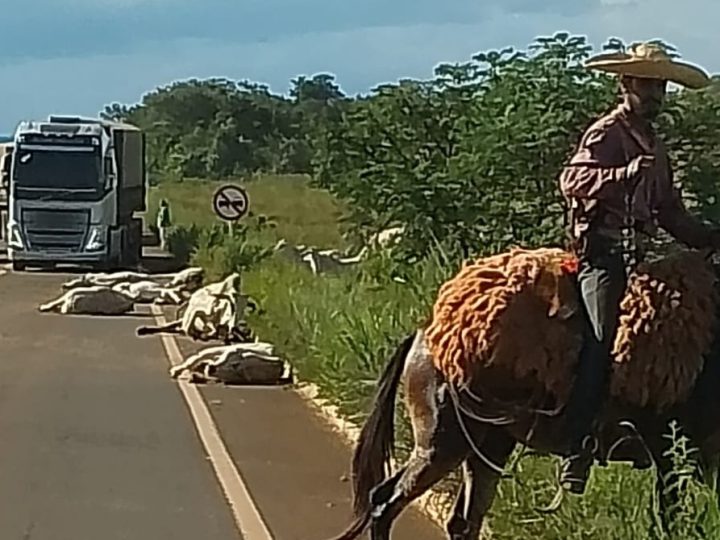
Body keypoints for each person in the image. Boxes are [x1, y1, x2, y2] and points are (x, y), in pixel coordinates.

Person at [557, 42, 720, 494]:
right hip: (602, 258)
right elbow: (572, 180)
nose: (655, 95)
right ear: (626, 84)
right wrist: (622, 175)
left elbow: (670, 211)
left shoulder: (656, 146)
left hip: (641, 259)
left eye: (660, 87)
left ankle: (665, 427)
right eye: (647, 85)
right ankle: (578, 445)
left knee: (687, 334)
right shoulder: (607, 132)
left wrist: (708, 236)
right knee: (601, 338)